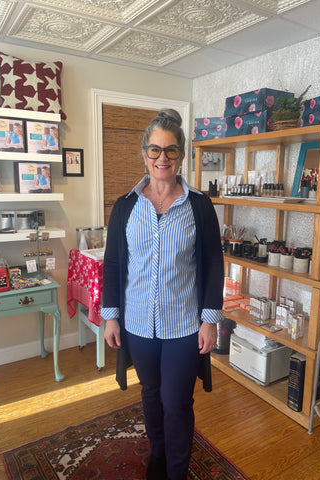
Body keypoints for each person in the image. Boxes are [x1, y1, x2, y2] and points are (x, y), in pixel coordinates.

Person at [101, 108, 224, 480]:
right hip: (138, 323)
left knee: (176, 403)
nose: (162, 158)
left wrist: (210, 320)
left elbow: (213, 264)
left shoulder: (199, 206)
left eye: (170, 151)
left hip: (184, 326)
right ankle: (157, 455)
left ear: (181, 156)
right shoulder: (125, 207)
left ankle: (176, 471)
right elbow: (112, 264)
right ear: (144, 154)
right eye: (154, 150)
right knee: (151, 394)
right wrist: (111, 315)